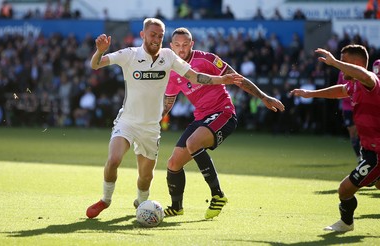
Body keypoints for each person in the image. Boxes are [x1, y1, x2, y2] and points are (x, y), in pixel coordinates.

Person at [86, 18, 242, 219]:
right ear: (143, 35)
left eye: (160, 35)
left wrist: (222, 79)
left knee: (145, 177)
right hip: (128, 122)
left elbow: (194, 76)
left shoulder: (168, 57)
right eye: (152, 34)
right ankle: (105, 200)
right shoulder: (129, 55)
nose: (156, 39)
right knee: (114, 159)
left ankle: (141, 203)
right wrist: (100, 51)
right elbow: (96, 65)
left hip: (151, 128)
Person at [162, 27, 285, 219]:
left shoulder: (207, 59)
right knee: (173, 163)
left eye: (185, 45)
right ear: (171, 47)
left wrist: (263, 96)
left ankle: (217, 195)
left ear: (192, 44)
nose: (181, 49)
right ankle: (177, 207)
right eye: (177, 45)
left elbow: (237, 79)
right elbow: (168, 103)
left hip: (223, 113)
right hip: (201, 117)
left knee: (192, 143)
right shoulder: (172, 71)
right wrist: (151, 121)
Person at [290, 44, 380, 232]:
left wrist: (334, 62)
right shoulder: (355, 84)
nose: (339, 67)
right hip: (369, 150)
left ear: (357, 64)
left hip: (377, 154)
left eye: (343, 61)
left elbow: (365, 75)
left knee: (344, 190)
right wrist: (310, 94)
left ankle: (346, 223)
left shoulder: (371, 81)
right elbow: (338, 91)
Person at [337, 71, 361, 162]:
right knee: (352, 132)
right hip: (346, 107)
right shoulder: (341, 73)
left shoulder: (356, 71)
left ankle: (363, 155)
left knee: (358, 131)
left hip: (357, 106)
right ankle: (358, 156)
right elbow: (338, 87)